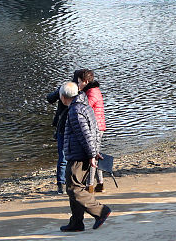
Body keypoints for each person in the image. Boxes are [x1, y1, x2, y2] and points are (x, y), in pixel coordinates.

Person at [59, 80, 112, 231]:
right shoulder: (84, 106)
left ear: (63, 97)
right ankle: (76, 223)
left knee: (74, 189)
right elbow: (93, 131)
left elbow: (85, 135)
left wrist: (92, 154)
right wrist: (94, 152)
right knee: (75, 187)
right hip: (81, 154)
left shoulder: (75, 110)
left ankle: (100, 211)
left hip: (79, 156)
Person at [73, 68, 106, 192]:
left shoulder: (92, 93)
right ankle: (100, 183)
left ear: (85, 81)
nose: (77, 84)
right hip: (98, 126)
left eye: (79, 81)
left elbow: (85, 107)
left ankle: (90, 185)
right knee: (95, 154)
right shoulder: (94, 90)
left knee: (92, 155)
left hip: (95, 127)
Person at [46, 83, 70, 193]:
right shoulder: (81, 92)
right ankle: (64, 183)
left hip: (63, 127)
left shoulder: (64, 89)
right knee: (66, 157)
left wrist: (59, 92)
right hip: (66, 127)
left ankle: (61, 185)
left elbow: (50, 98)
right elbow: (50, 98)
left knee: (63, 157)